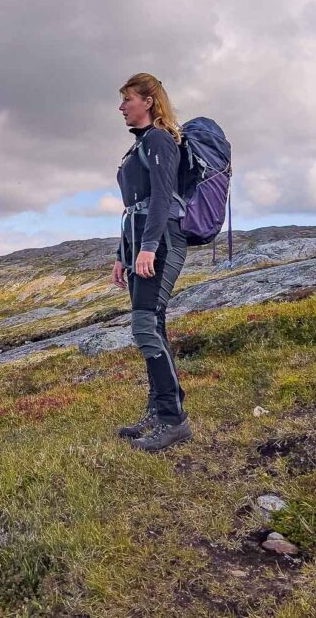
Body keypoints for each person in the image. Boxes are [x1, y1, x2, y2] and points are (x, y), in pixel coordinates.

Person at [111, 73, 194, 452]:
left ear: (148, 100)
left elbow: (161, 198)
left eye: (127, 99)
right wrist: (121, 256)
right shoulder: (140, 145)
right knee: (152, 325)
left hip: (161, 242)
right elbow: (134, 206)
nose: (121, 107)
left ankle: (174, 421)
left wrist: (147, 248)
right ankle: (159, 412)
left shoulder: (160, 139)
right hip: (141, 243)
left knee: (145, 326)